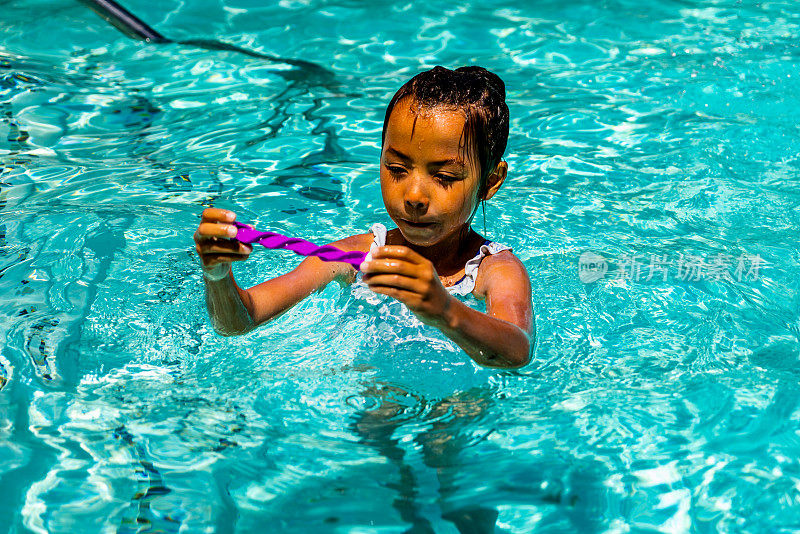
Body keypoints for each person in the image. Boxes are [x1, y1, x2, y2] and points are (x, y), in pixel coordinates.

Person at [193, 65, 534, 369]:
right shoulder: (354, 256)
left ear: (489, 182)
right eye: (397, 169)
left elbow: (517, 349)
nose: (414, 196)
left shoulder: (494, 269)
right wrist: (219, 276)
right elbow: (239, 322)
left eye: (444, 177)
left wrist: (446, 311)